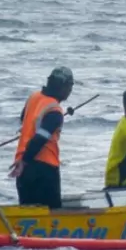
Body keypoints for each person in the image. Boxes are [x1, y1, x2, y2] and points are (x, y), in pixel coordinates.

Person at [9, 66, 74, 207]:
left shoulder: (34, 97)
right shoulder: (55, 111)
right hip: (44, 170)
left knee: (28, 215)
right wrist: (26, 160)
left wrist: (23, 162)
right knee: (51, 215)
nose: (70, 91)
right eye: (70, 87)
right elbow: (39, 139)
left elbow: (24, 119)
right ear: (63, 87)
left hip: (23, 169)